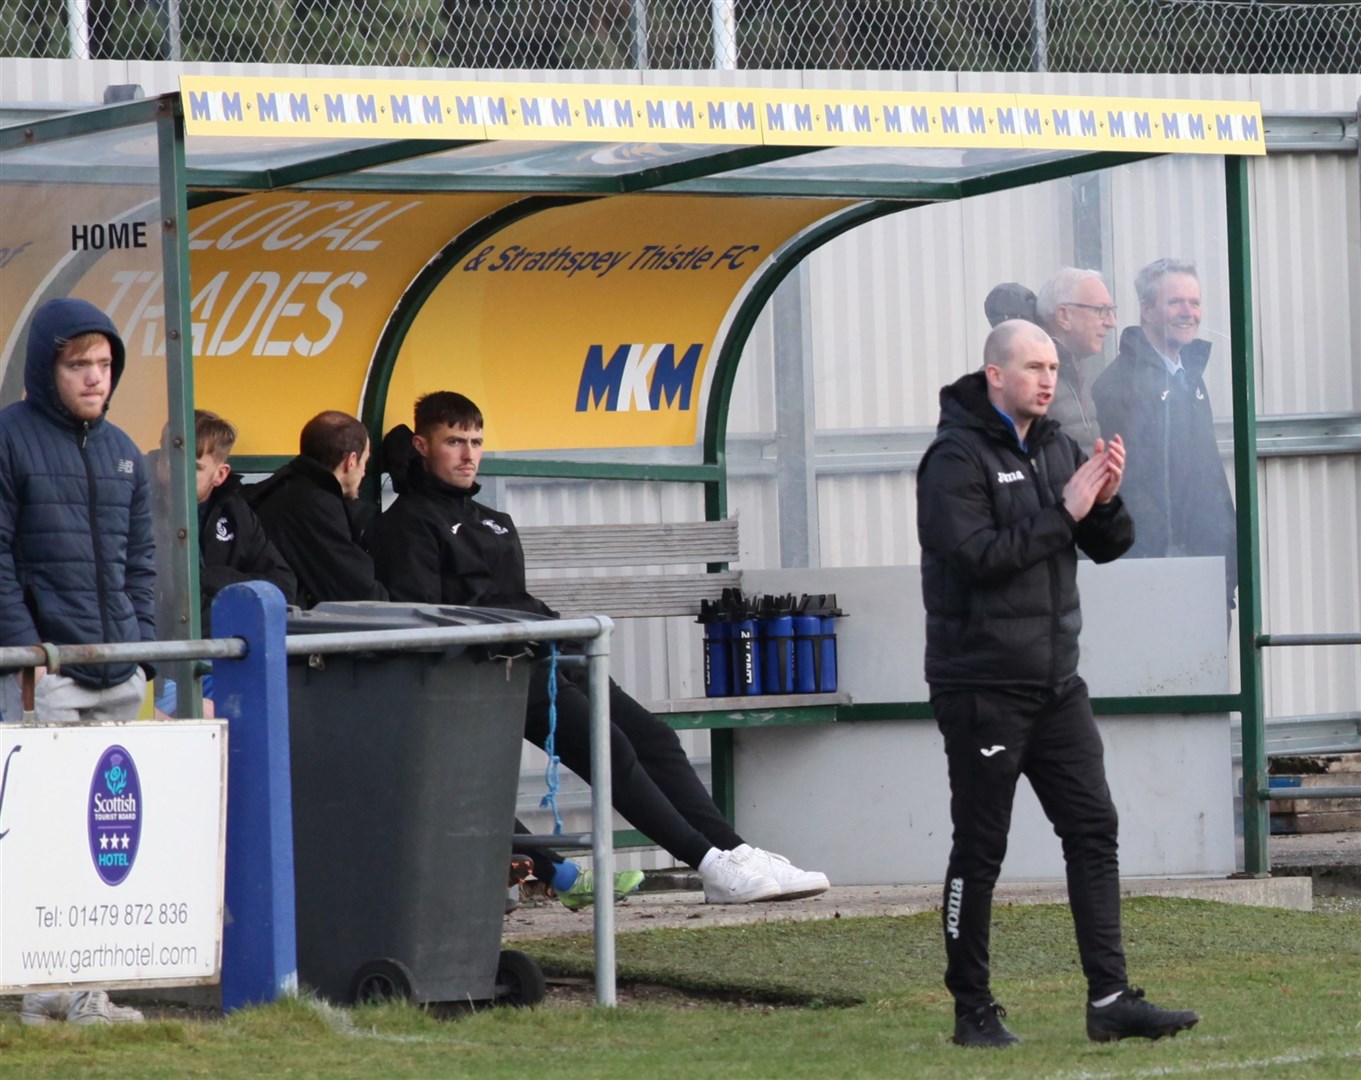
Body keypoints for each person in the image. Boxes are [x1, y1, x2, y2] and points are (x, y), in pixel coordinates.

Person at [370, 391, 830, 906]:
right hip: (490, 673)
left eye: (475, 441)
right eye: (454, 441)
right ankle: (709, 864)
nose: (468, 454)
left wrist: (561, 632)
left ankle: (734, 851)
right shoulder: (406, 525)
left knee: (655, 738)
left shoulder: (494, 519)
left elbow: (516, 598)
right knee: (609, 748)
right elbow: (429, 620)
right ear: (422, 445)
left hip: (549, 654)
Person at [916, 319, 1199, 1048]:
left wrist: (1103, 501)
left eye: (1051, 366)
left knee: (1092, 829)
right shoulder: (952, 459)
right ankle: (971, 1011)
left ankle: (1109, 1000)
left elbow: (1106, 547)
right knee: (980, 849)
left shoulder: (1054, 445)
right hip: (982, 686)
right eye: (1032, 366)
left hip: (1055, 683)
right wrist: (1065, 509)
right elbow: (978, 557)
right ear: (994, 376)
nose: (1048, 378)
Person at [0, 297, 153, 1026]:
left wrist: (142, 647)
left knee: (106, 842)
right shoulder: (7, 439)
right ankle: (49, 987)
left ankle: (79, 989)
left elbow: (142, 561)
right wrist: (25, 654)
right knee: (43, 829)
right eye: (79, 363)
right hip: (46, 675)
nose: (96, 377)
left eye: (105, 364)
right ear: (46, 366)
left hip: (117, 673)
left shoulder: (125, 449)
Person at [1091, 258, 1237, 612]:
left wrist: (1228, 554)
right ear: (1147, 310)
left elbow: (1205, 475)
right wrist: (1166, 557)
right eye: (1176, 302)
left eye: (1195, 302)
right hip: (1160, 575)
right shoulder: (1120, 384)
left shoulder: (1189, 376)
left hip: (1205, 568)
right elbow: (1131, 483)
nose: (1188, 312)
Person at [247, 409, 387, 608]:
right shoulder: (315, 505)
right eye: (364, 462)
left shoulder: (284, 486)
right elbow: (358, 593)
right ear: (351, 461)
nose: (364, 471)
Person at [1034, 267, 1118, 455]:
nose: (1112, 322)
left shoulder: (1073, 369)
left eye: (1112, 311)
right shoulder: (1033, 378)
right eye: (1101, 310)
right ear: (1063, 316)